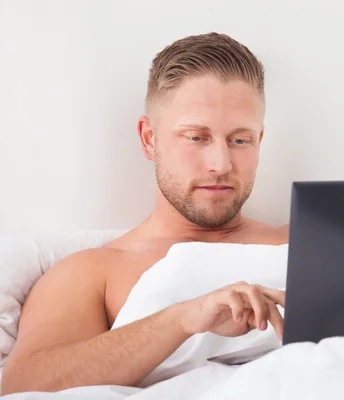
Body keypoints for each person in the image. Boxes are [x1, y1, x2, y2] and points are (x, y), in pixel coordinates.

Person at [2, 33, 288, 395]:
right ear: (149, 139)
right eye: (197, 137)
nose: (221, 164)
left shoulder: (307, 242)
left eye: (240, 140)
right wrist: (184, 319)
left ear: (259, 140)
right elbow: (23, 385)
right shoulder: (94, 273)